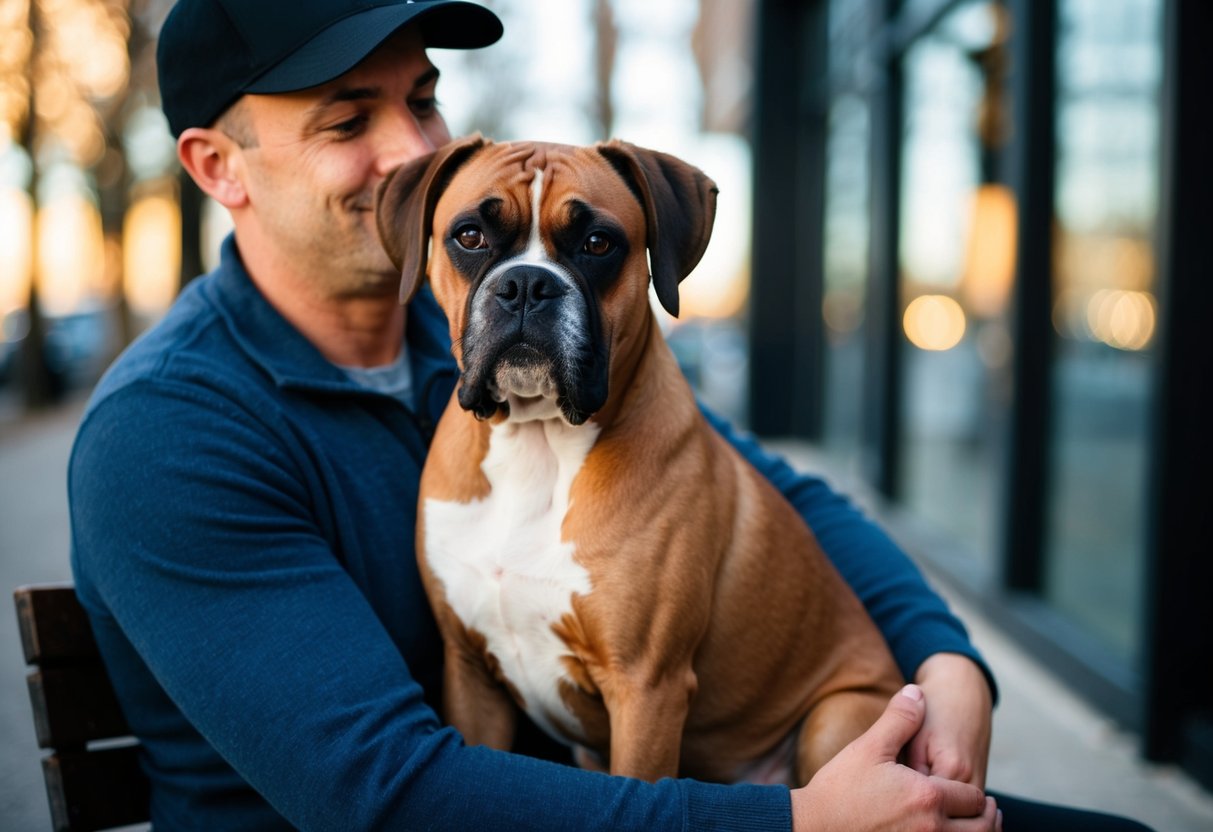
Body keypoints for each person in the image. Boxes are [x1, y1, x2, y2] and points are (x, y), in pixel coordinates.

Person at [67, 1, 1149, 830]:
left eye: (423, 98)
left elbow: (781, 492)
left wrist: (947, 662)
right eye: (348, 118)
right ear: (219, 168)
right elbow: (383, 793)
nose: (409, 147)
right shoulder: (169, 436)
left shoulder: (484, 343)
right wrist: (794, 820)